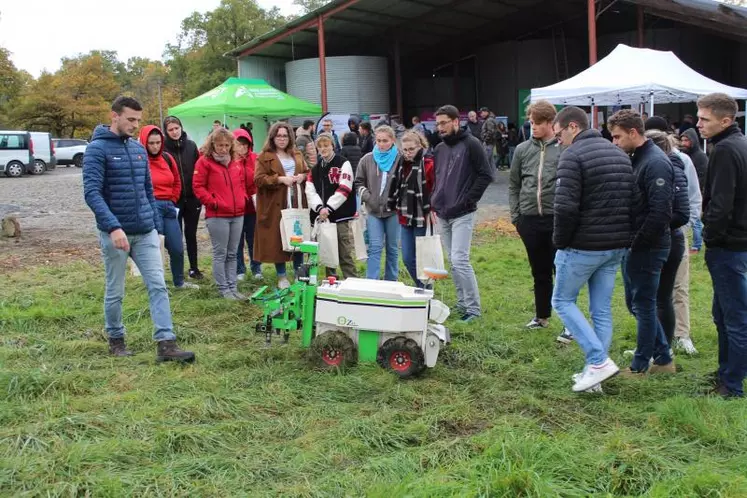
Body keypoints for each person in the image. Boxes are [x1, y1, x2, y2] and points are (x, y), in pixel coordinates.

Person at [83, 96, 194, 362]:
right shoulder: (96, 150)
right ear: (114, 116)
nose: (135, 125)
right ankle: (116, 340)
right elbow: (92, 193)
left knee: (158, 285)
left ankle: (166, 344)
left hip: (145, 232)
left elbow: (148, 191)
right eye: (130, 119)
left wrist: (155, 225)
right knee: (115, 290)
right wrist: (113, 227)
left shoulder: (138, 149)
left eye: (138, 120)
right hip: (116, 234)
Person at [551, 105, 635, 393]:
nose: (558, 139)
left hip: (582, 246)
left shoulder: (572, 155)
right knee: (601, 310)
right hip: (615, 247)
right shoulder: (619, 153)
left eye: (559, 133)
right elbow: (631, 201)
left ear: (573, 126)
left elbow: (564, 207)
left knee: (562, 301)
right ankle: (594, 375)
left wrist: (560, 242)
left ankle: (598, 361)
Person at [608, 109, 674, 375]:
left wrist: (638, 242)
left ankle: (641, 365)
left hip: (649, 245)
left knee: (644, 304)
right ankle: (662, 357)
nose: (614, 143)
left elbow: (661, 212)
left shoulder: (655, 162)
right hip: (637, 243)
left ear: (633, 133)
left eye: (617, 137)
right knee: (636, 303)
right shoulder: (638, 158)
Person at [698, 92, 747, 398]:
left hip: (729, 245)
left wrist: (710, 237)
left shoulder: (726, 149)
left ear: (726, 121)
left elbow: (721, 204)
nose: (698, 124)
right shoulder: (737, 144)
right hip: (736, 243)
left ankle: (732, 386)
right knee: (724, 314)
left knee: (735, 317)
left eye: (705, 119)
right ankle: (728, 372)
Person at [645, 117, 702, 355]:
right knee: (649, 291)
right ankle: (652, 338)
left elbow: (693, 195)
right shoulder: (639, 158)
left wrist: (687, 226)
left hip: (675, 232)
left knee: (679, 286)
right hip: (649, 235)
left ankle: (682, 334)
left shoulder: (682, 159)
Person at [432, 105, 494, 322]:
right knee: (452, 260)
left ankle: (474, 310)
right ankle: (461, 304)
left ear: (456, 121)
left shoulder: (472, 144)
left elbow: (486, 175)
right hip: (443, 212)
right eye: (437, 123)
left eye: (443, 123)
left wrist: (468, 199)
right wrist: (435, 200)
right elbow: (439, 178)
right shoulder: (439, 149)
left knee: (460, 259)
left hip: (463, 213)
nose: (439, 127)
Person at [509, 100, 562, 335]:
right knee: (538, 271)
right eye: (531, 122)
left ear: (551, 123)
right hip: (529, 220)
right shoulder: (522, 150)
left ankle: (569, 324)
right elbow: (513, 184)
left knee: (561, 271)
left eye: (538, 123)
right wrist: (516, 217)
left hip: (556, 219)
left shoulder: (563, 148)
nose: (534, 127)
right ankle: (542, 317)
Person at [138, 124, 199, 291]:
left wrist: (172, 199)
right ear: (144, 142)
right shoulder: (140, 160)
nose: (155, 146)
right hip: (151, 207)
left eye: (158, 142)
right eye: (151, 143)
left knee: (177, 247)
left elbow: (177, 180)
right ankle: (155, 284)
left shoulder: (166, 158)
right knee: (154, 248)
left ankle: (179, 282)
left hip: (169, 206)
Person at [192, 128, 247, 300]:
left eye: (226, 145)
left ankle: (233, 287)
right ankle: (223, 288)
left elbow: (241, 183)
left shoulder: (235, 162)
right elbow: (198, 186)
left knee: (233, 253)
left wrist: (243, 198)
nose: (223, 148)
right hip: (217, 215)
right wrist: (212, 202)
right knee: (220, 253)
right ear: (212, 144)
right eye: (219, 145)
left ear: (231, 145)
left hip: (237, 212)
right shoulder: (204, 162)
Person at [254, 122, 309, 289]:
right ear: (273, 137)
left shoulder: (297, 153)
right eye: (279, 136)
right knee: (278, 238)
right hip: (275, 202)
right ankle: (282, 276)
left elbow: (307, 171)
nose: (282, 139)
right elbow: (258, 179)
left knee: (297, 236)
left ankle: (299, 274)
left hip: (296, 200)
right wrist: (279, 179)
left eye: (285, 135)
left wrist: (302, 177)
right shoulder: (264, 156)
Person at [387, 130, 435, 288]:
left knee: (422, 257)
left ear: (420, 146)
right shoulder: (400, 163)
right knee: (407, 258)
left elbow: (434, 189)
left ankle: (425, 289)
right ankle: (424, 287)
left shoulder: (428, 163)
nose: (407, 153)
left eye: (411, 149)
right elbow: (395, 187)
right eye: (405, 149)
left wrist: (432, 209)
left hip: (422, 215)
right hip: (404, 215)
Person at [306, 132, 358, 279]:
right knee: (329, 253)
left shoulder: (343, 163)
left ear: (333, 146)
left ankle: (351, 282)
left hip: (340, 215)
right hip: (323, 217)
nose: (323, 149)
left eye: (326, 145)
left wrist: (329, 208)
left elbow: (345, 187)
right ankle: (332, 284)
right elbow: (310, 191)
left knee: (344, 253)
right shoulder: (315, 169)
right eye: (320, 146)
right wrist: (319, 208)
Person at [354, 125, 401, 281]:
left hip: (394, 211)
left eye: (385, 141)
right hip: (374, 210)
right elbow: (358, 183)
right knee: (375, 247)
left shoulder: (400, 158)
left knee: (393, 249)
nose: (381, 144)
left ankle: (391, 282)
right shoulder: (367, 159)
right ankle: (371, 282)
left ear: (393, 140)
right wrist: (369, 198)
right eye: (379, 140)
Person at [163, 116, 203, 280]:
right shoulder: (163, 149)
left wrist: (199, 193)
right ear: (166, 132)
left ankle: (194, 268)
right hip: (175, 199)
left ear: (181, 128)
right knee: (175, 236)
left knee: (191, 234)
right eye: (170, 130)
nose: (174, 132)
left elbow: (199, 169)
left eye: (176, 128)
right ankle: (177, 271)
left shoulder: (191, 145)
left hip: (192, 198)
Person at [233, 128, 262, 282]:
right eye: (239, 144)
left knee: (253, 239)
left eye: (245, 144)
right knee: (237, 240)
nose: (242, 147)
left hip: (252, 206)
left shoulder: (256, 158)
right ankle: (239, 269)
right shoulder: (230, 160)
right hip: (236, 207)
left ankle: (256, 268)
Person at [681, 128, 708, 253]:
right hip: (687, 190)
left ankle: (697, 245)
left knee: (696, 220)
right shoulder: (686, 156)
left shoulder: (700, 156)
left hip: (697, 191)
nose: (684, 143)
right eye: (682, 140)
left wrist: (699, 191)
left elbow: (702, 176)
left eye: (687, 140)